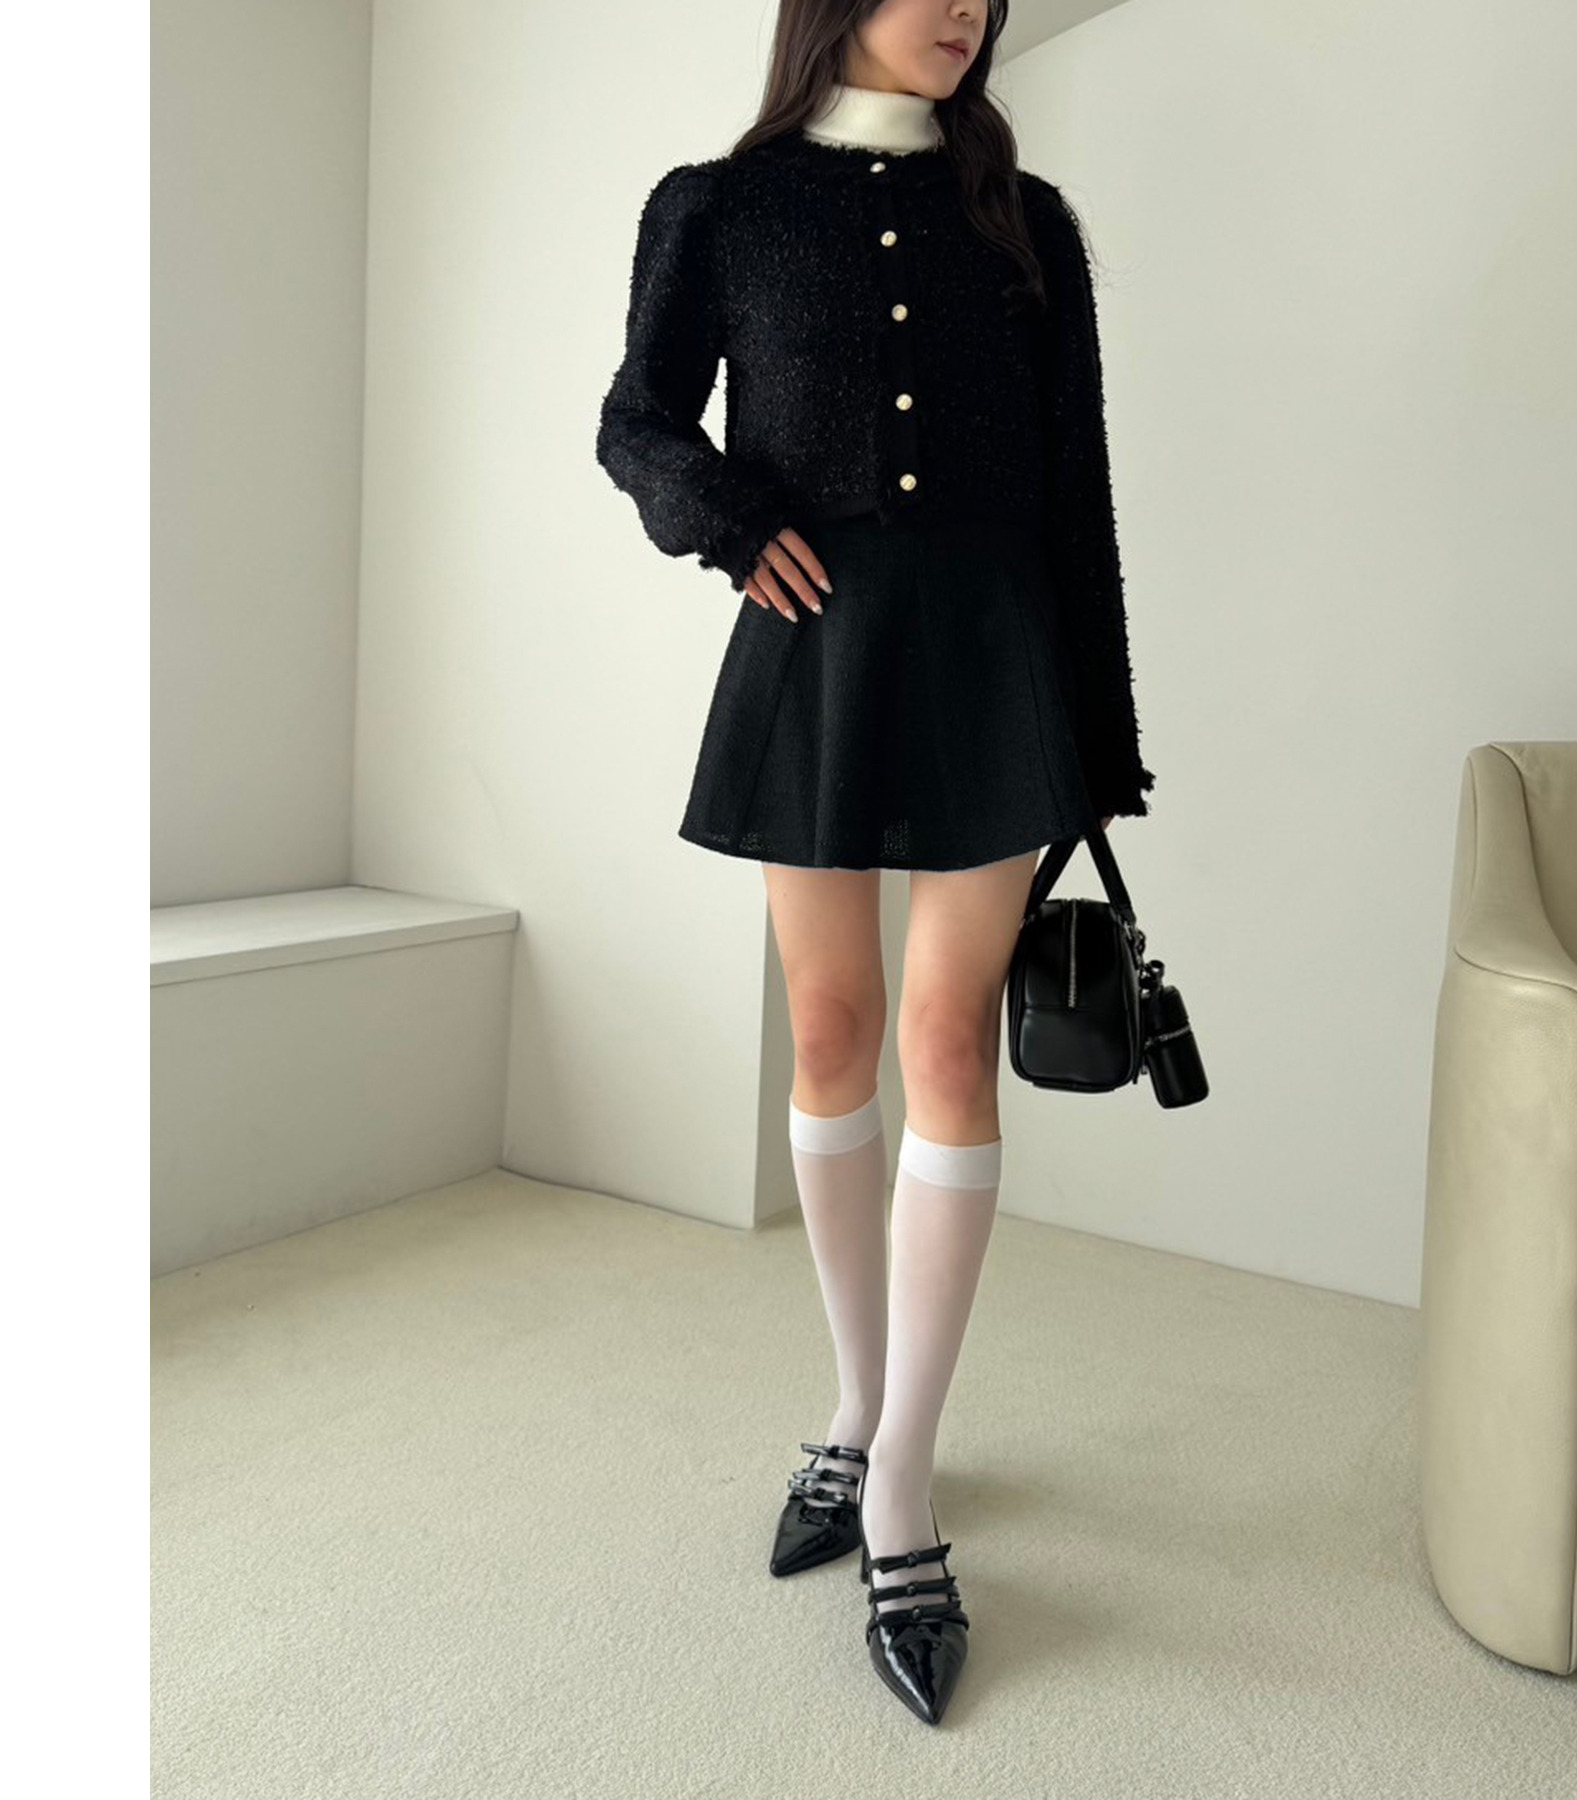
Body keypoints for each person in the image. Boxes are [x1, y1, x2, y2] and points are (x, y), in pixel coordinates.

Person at [594, 0, 1154, 1727]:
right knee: (832, 1032)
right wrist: (726, 518)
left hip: (993, 650)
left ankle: (902, 1478)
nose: (967, 6)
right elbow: (636, 420)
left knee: (943, 1039)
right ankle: (855, 1405)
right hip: (815, 643)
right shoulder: (718, 206)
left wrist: (1098, 739)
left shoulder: (1026, 221)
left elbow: (1077, 492)